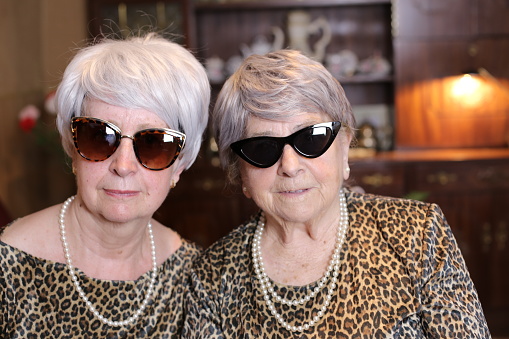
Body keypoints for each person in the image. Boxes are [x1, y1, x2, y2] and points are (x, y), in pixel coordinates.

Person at [183, 50, 491, 338]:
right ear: (241, 174)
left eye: (311, 138)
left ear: (344, 148)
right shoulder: (212, 276)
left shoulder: (416, 233)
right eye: (262, 147)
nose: (290, 166)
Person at [0, 32, 210, 337]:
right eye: (99, 137)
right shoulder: (7, 270)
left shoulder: (197, 277)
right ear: (73, 149)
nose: (123, 166)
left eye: (153, 143)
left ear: (180, 163)